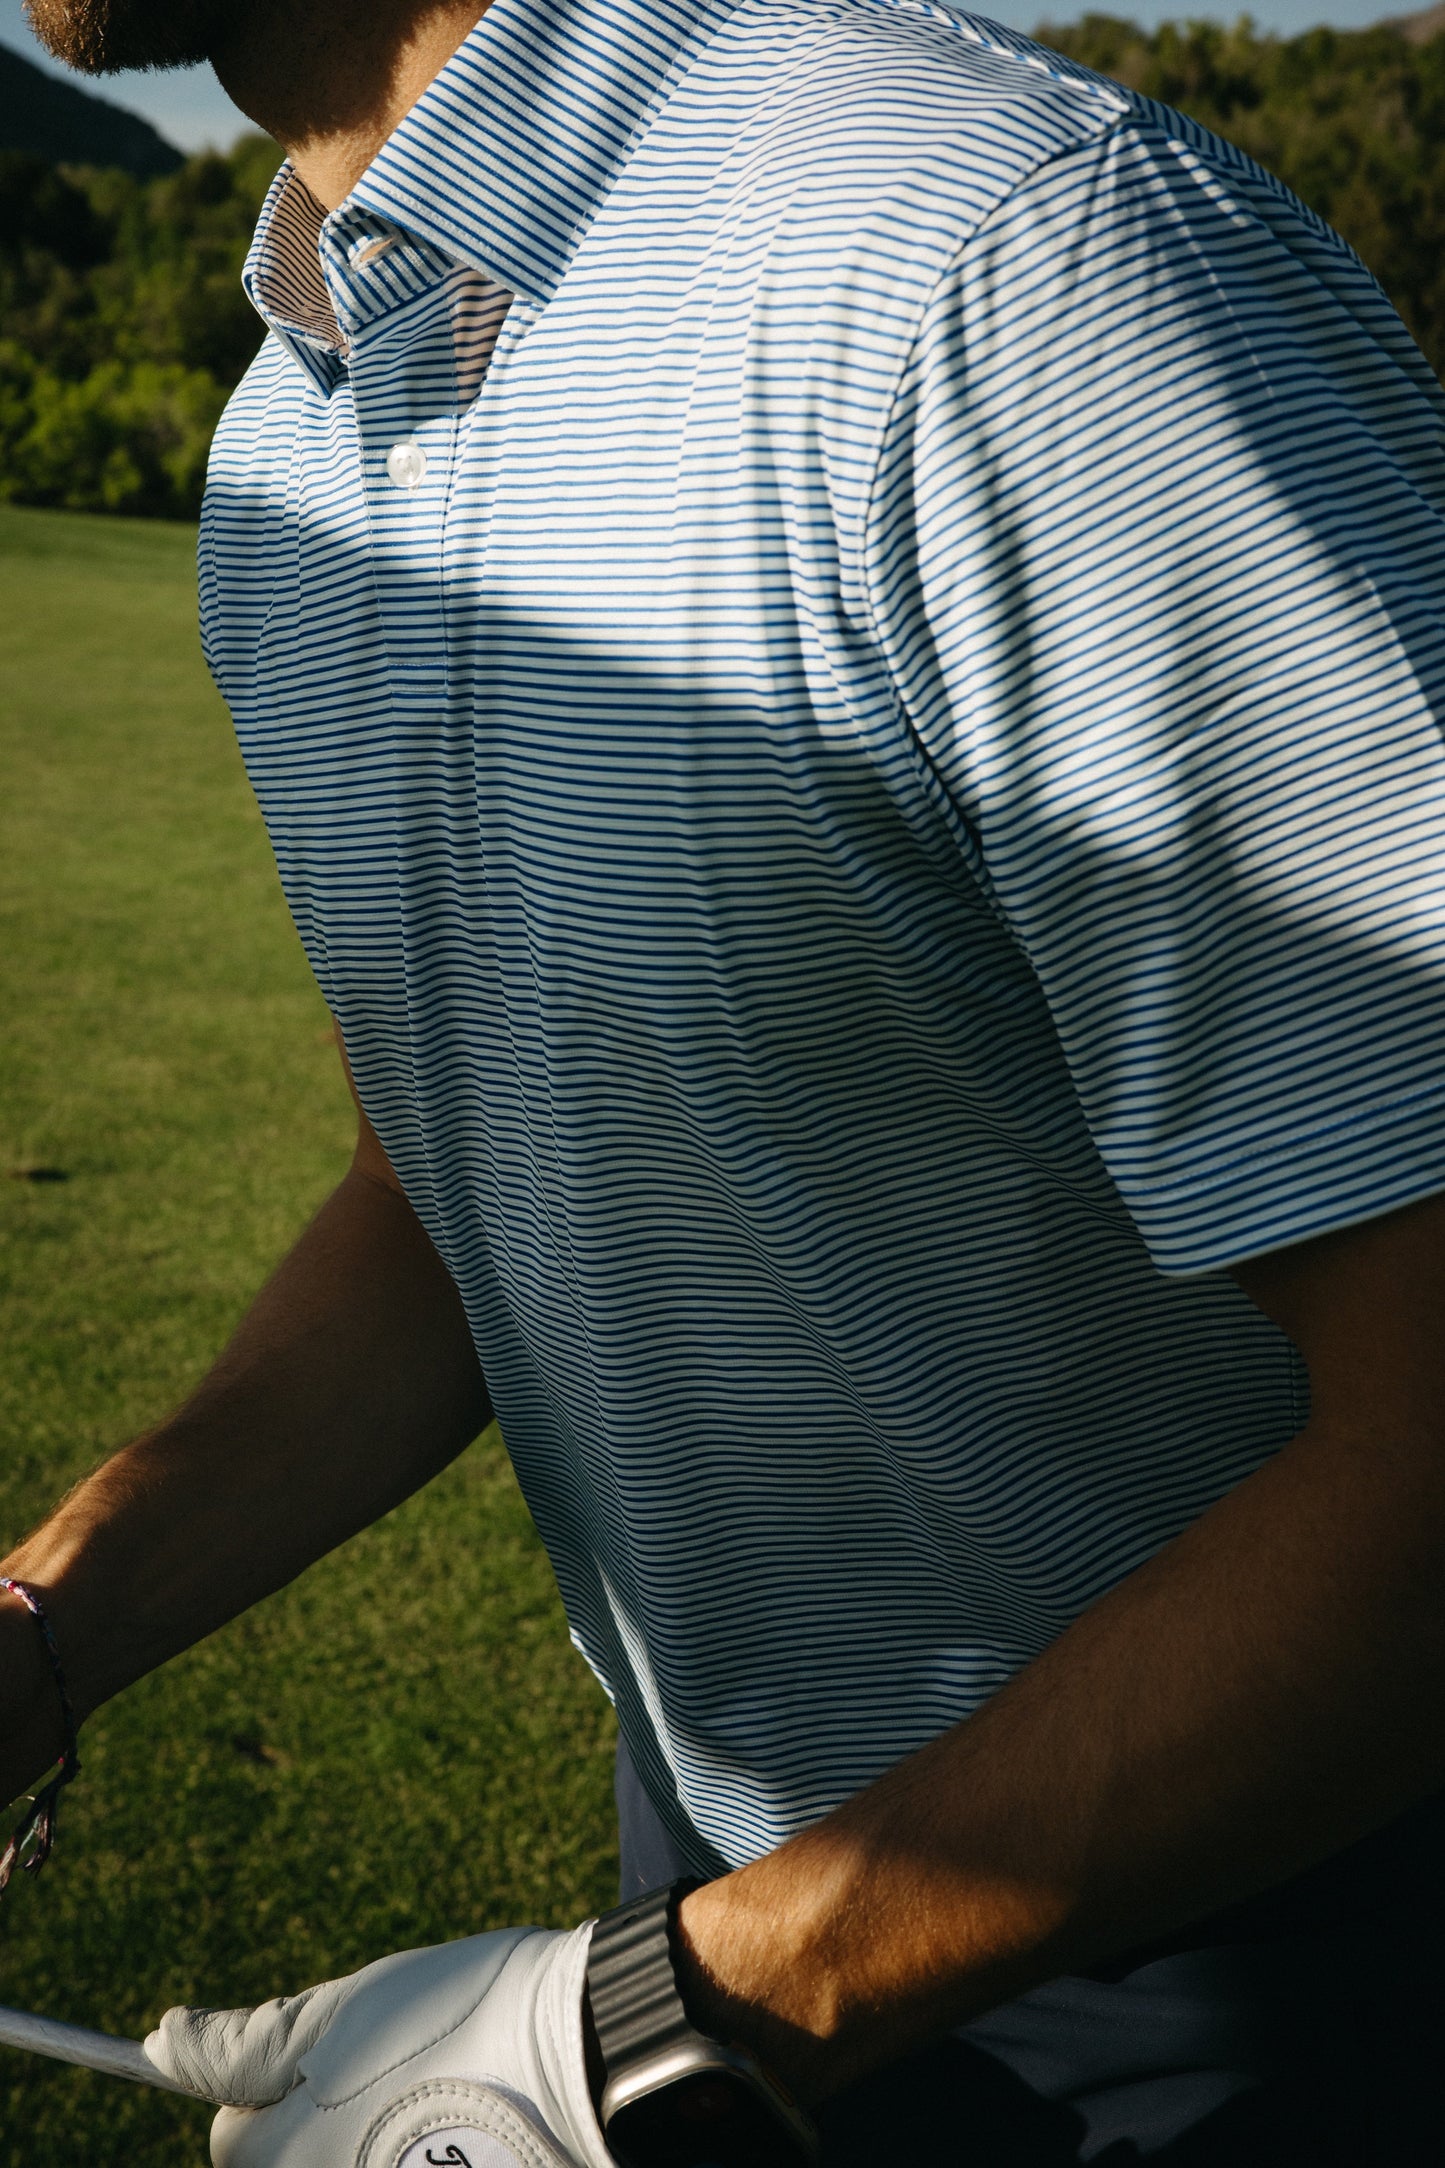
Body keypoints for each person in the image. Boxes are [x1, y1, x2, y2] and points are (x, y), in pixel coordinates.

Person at [5, 0, 1445, 2159]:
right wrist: (47, 1627)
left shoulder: (1008, 267)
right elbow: (456, 1180)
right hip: (749, 1932)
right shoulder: (281, 455)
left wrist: (694, 2007)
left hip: (1289, 1967)